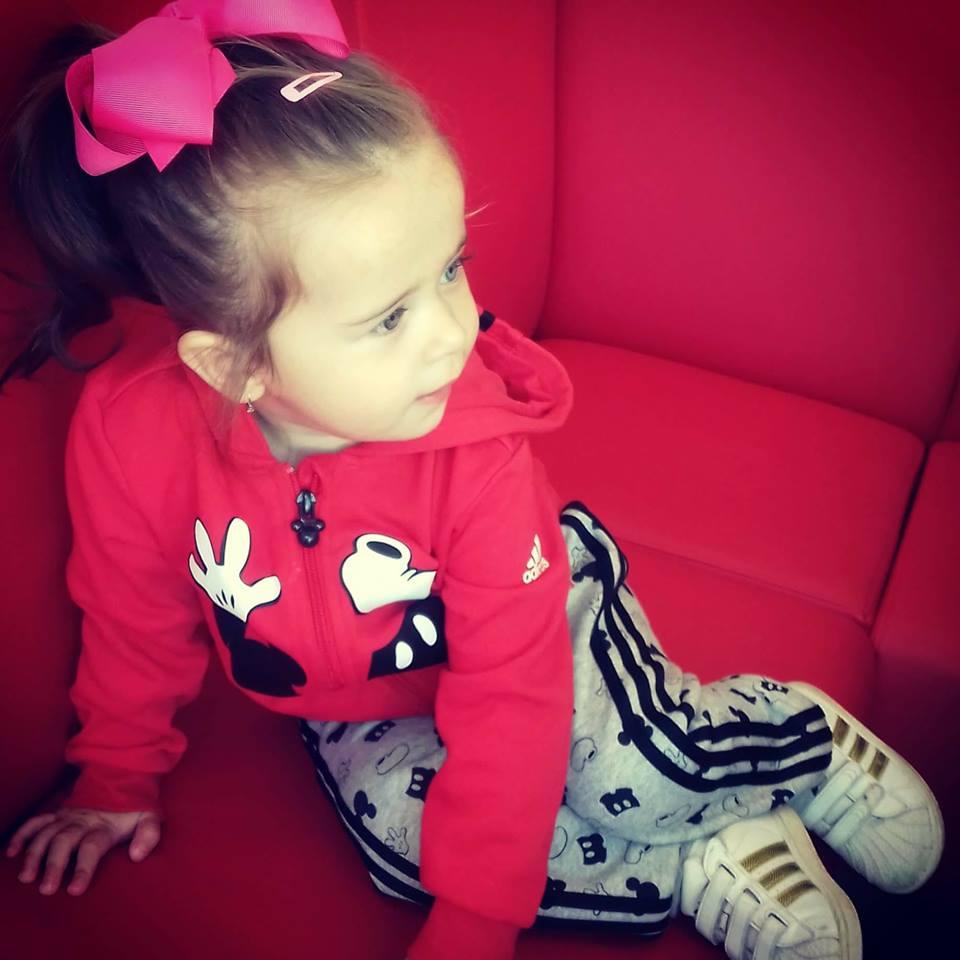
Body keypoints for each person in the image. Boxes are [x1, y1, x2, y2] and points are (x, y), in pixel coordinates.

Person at [0, 3, 943, 960]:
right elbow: (132, 610)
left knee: (636, 771)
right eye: (389, 318)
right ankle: (699, 856)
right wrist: (115, 777)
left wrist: (479, 926)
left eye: (452, 269)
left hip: (534, 617)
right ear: (232, 364)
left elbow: (511, 700)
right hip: (355, 706)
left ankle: (797, 740)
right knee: (408, 855)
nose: (455, 335)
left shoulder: (475, 452)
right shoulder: (129, 431)